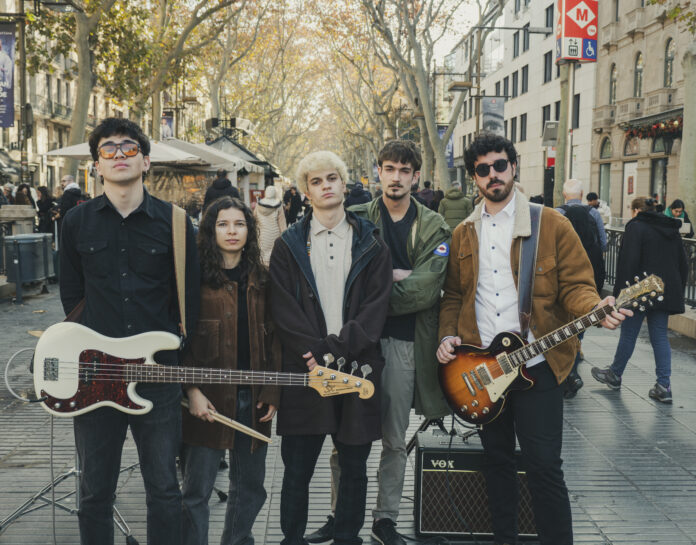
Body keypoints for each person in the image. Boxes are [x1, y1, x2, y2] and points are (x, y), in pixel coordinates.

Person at [436, 133, 630, 545]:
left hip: (539, 367)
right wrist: (447, 336)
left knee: (544, 468)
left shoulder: (551, 224)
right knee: (497, 463)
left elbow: (577, 286)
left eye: (499, 165)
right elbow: (453, 295)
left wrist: (596, 308)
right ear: (474, 177)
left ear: (513, 166)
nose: (493, 175)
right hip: (483, 370)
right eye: (483, 169)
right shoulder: (464, 233)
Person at [60, 117, 200, 545]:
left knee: (164, 489)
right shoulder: (75, 223)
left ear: (146, 161)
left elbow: (188, 305)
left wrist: (189, 378)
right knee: (94, 492)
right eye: (108, 149)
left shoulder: (176, 223)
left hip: (158, 375)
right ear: (97, 165)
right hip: (95, 375)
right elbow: (72, 299)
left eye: (128, 147)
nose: (119, 155)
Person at [307, 140, 451, 545]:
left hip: (404, 343)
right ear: (379, 172)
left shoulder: (434, 225)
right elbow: (340, 278)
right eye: (389, 169)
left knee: (394, 439)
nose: (396, 177)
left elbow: (427, 288)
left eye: (405, 171)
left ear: (416, 177)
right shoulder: (355, 218)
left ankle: (384, 519)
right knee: (344, 437)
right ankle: (338, 514)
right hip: (353, 343)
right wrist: (396, 276)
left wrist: (374, 289)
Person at [269, 150, 392, 545]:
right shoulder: (288, 245)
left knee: (354, 467)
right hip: (306, 370)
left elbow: (375, 308)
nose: (325, 186)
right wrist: (316, 354)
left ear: (343, 183)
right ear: (306, 191)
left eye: (331, 178)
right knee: (297, 468)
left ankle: (346, 538)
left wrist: (334, 350)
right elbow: (283, 309)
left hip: (358, 368)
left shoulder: (372, 242)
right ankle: (292, 538)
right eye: (316, 181)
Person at [180, 196, 280, 545]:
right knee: (196, 489)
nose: (232, 231)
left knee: (250, 488)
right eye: (223, 224)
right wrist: (192, 391)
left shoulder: (263, 280)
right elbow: (179, 339)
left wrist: (272, 391)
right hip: (206, 400)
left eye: (239, 224)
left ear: (250, 230)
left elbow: (275, 339)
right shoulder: (193, 280)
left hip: (252, 399)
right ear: (211, 231)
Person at [592, 196, 687, 404]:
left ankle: (615, 375)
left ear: (636, 211)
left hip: (638, 290)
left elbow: (628, 262)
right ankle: (664, 386)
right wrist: (676, 289)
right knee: (660, 336)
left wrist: (619, 296)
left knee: (629, 333)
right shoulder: (671, 228)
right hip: (663, 289)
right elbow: (683, 263)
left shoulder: (636, 227)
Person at [556, 178, 608, 398]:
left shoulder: (556, 213)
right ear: (582, 193)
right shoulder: (593, 213)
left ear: (563, 194)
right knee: (581, 321)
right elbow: (603, 243)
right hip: (589, 274)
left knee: (564, 321)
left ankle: (567, 371)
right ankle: (576, 353)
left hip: (562, 275)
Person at [254, 185, 287, 265]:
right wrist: (285, 238)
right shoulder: (278, 205)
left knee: (263, 254)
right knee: (274, 254)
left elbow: (254, 219)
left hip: (262, 234)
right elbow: (282, 223)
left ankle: (263, 268)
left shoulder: (258, 205)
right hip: (275, 235)